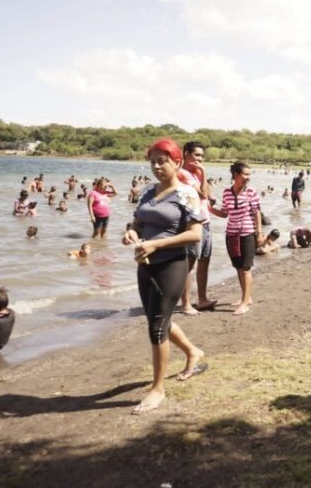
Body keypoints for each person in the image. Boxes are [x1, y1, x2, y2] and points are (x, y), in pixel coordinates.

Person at [122, 138, 206, 415]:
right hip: (144, 262)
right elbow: (137, 223)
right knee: (158, 318)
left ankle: (157, 389)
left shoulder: (187, 193)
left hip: (172, 263)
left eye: (163, 161)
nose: (157, 166)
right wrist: (132, 234)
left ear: (177, 162)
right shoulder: (148, 191)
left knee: (156, 326)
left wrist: (157, 244)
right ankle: (193, 352)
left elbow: (195, 235)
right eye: (153, 162)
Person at [210, 161, 263, 316]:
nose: (248, 177)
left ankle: (245, 303)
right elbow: (225, 213)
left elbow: (256, 213)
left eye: (249, 174)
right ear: (235, 175)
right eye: (245, 174)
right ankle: (246, 298)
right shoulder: (227, 192)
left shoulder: (251, 192)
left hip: (247, 234)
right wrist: (210, 210)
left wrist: (259, 234)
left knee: (246, 268)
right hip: (231, 234)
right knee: (238, 267)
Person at [183, 141, 218, 312]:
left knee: (204, 260)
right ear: (186, 154)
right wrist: (203, 171)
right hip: (192, 223)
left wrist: (200, 173)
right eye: (196, 155)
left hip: (205, 220)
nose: (200, 159)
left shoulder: (194, 174)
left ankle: (202, 299)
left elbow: (209, 196)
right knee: (190, 264)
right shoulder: (182, 174)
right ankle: (186, 303)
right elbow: (203, 194)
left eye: (202, 156)